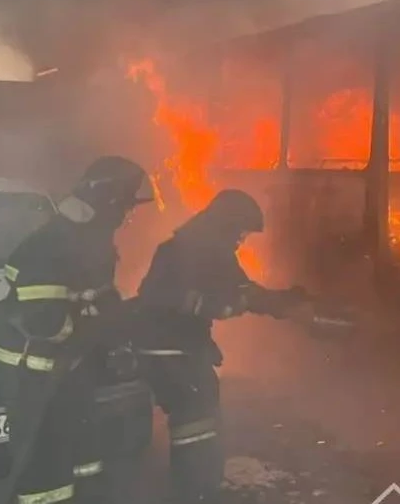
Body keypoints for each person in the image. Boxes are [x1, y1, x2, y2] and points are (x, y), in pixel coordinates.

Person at [0, 155, 152, 504]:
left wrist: (122, 321)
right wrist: (95, 328)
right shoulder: (50, 246)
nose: (127, 216)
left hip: (68, 363)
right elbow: (45, 322)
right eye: (125, 207)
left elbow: (98, 295)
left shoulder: (93, 239)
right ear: (108, 203)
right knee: (43, 458)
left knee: (81, 445)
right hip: (31, 366)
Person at [134, 188, 313, 503]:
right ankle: (194, 492)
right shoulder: (190, 251)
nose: (241, 239)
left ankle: (196, 486)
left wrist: (285, 303)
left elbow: (243, 291)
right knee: (195, 422)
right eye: (240, 231)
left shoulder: (202, 250)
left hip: (176, 349)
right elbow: (159, 296)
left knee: (198, 418)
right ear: (226, 223)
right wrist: (214, 304)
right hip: (171, 351)